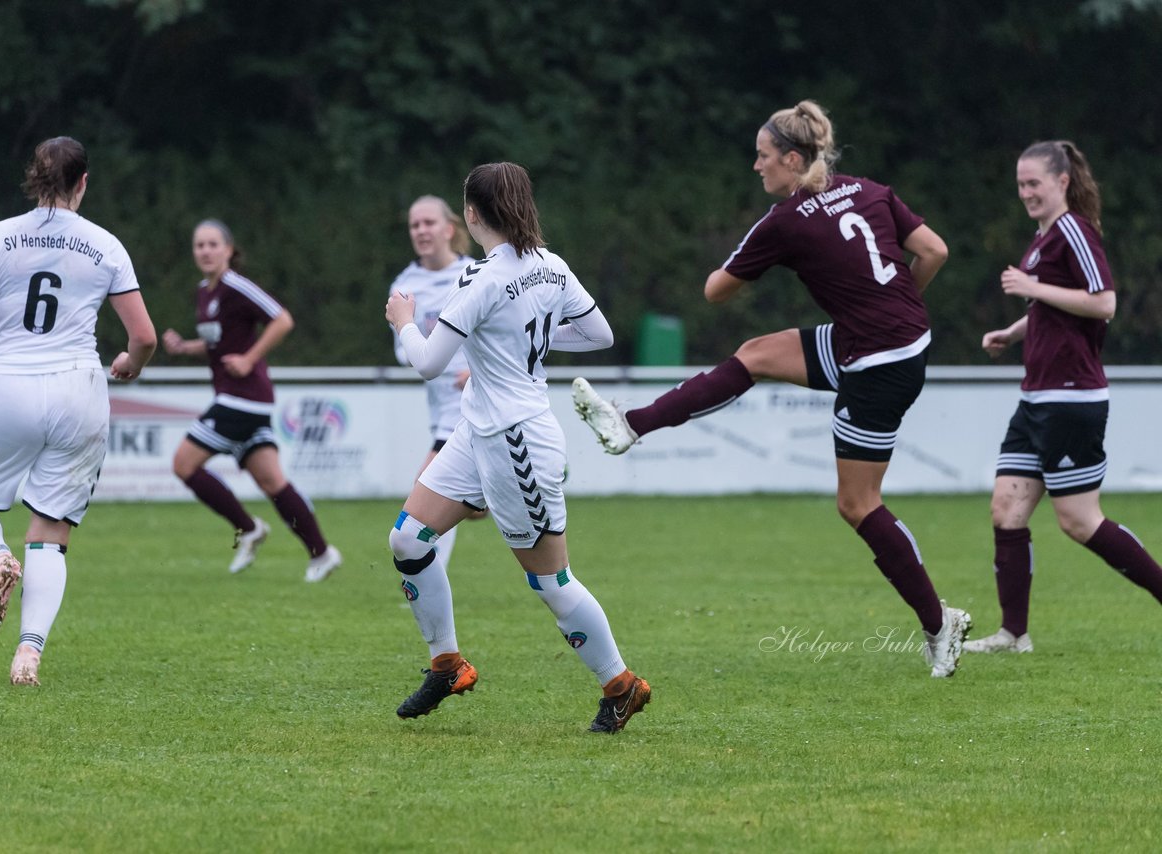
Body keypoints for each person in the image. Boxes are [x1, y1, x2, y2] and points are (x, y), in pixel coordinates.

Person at [573, 100, 972, 677]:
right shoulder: (870, 189)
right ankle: (630, 424)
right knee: (756, 354)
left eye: (763, 157)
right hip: (897, 340)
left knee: (857, 503)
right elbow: (934, 250)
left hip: (879, 363)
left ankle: (940, 624)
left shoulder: (787, 219)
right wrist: (897, 306)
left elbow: (715, 290)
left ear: (792, 157)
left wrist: (762, 247)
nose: (755, 167)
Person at [383, 162, 651, 733]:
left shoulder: (482, 280)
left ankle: (621, 685)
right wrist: (522, 338)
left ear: (472, 215)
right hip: (475, 429)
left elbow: (428, 362)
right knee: (408, 538)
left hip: (517, 442)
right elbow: (599, 334)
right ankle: (448, 664)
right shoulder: (550, 267)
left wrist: (404, 321)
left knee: (550, 582)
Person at [0, 136, 157, 686]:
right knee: (50, 531)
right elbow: (144, 336)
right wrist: (130, 363)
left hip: (8, 385)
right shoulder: (107, 245)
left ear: (34, 178)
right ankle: (28, 654)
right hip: (79, 391)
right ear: (83, 182)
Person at [964, 141, 1162, 654]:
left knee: (1079, 521)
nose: (1026, 193)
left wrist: (1032, 285)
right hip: (1036, 399)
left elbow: (1103, 303)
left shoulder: (1073, 231)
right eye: (1021, 185)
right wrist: (1013, 331)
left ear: (1062, 182)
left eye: (1034, 183)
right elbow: (1054, 310)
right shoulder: (1043, 237)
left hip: (1072, 397)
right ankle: (1013, 634)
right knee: (1006, 511)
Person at [162, 220, 342, 582]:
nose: (206, 251)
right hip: (241, 400)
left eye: (214, 244)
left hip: (243, 398)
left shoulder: (235, 286)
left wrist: (249, 358)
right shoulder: (205, 292)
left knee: (183, 464)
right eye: (200, 245)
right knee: (273, 482)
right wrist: (186, 347)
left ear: (229, 249)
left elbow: (282, 320)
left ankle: (248, 528)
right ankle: (321, 553)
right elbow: (220, 343)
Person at [387, 195, 483, 567]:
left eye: (429, 223)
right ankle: (512, 487)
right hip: (442, 408)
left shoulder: (476, 273)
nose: (421, 231)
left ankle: (429, 579)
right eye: (415, 225)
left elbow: (503, 338)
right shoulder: (405, 285)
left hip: (476, 403)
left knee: (423, 499)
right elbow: (405, 352)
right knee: (466, 507)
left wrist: (477, 369)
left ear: (449, 228)